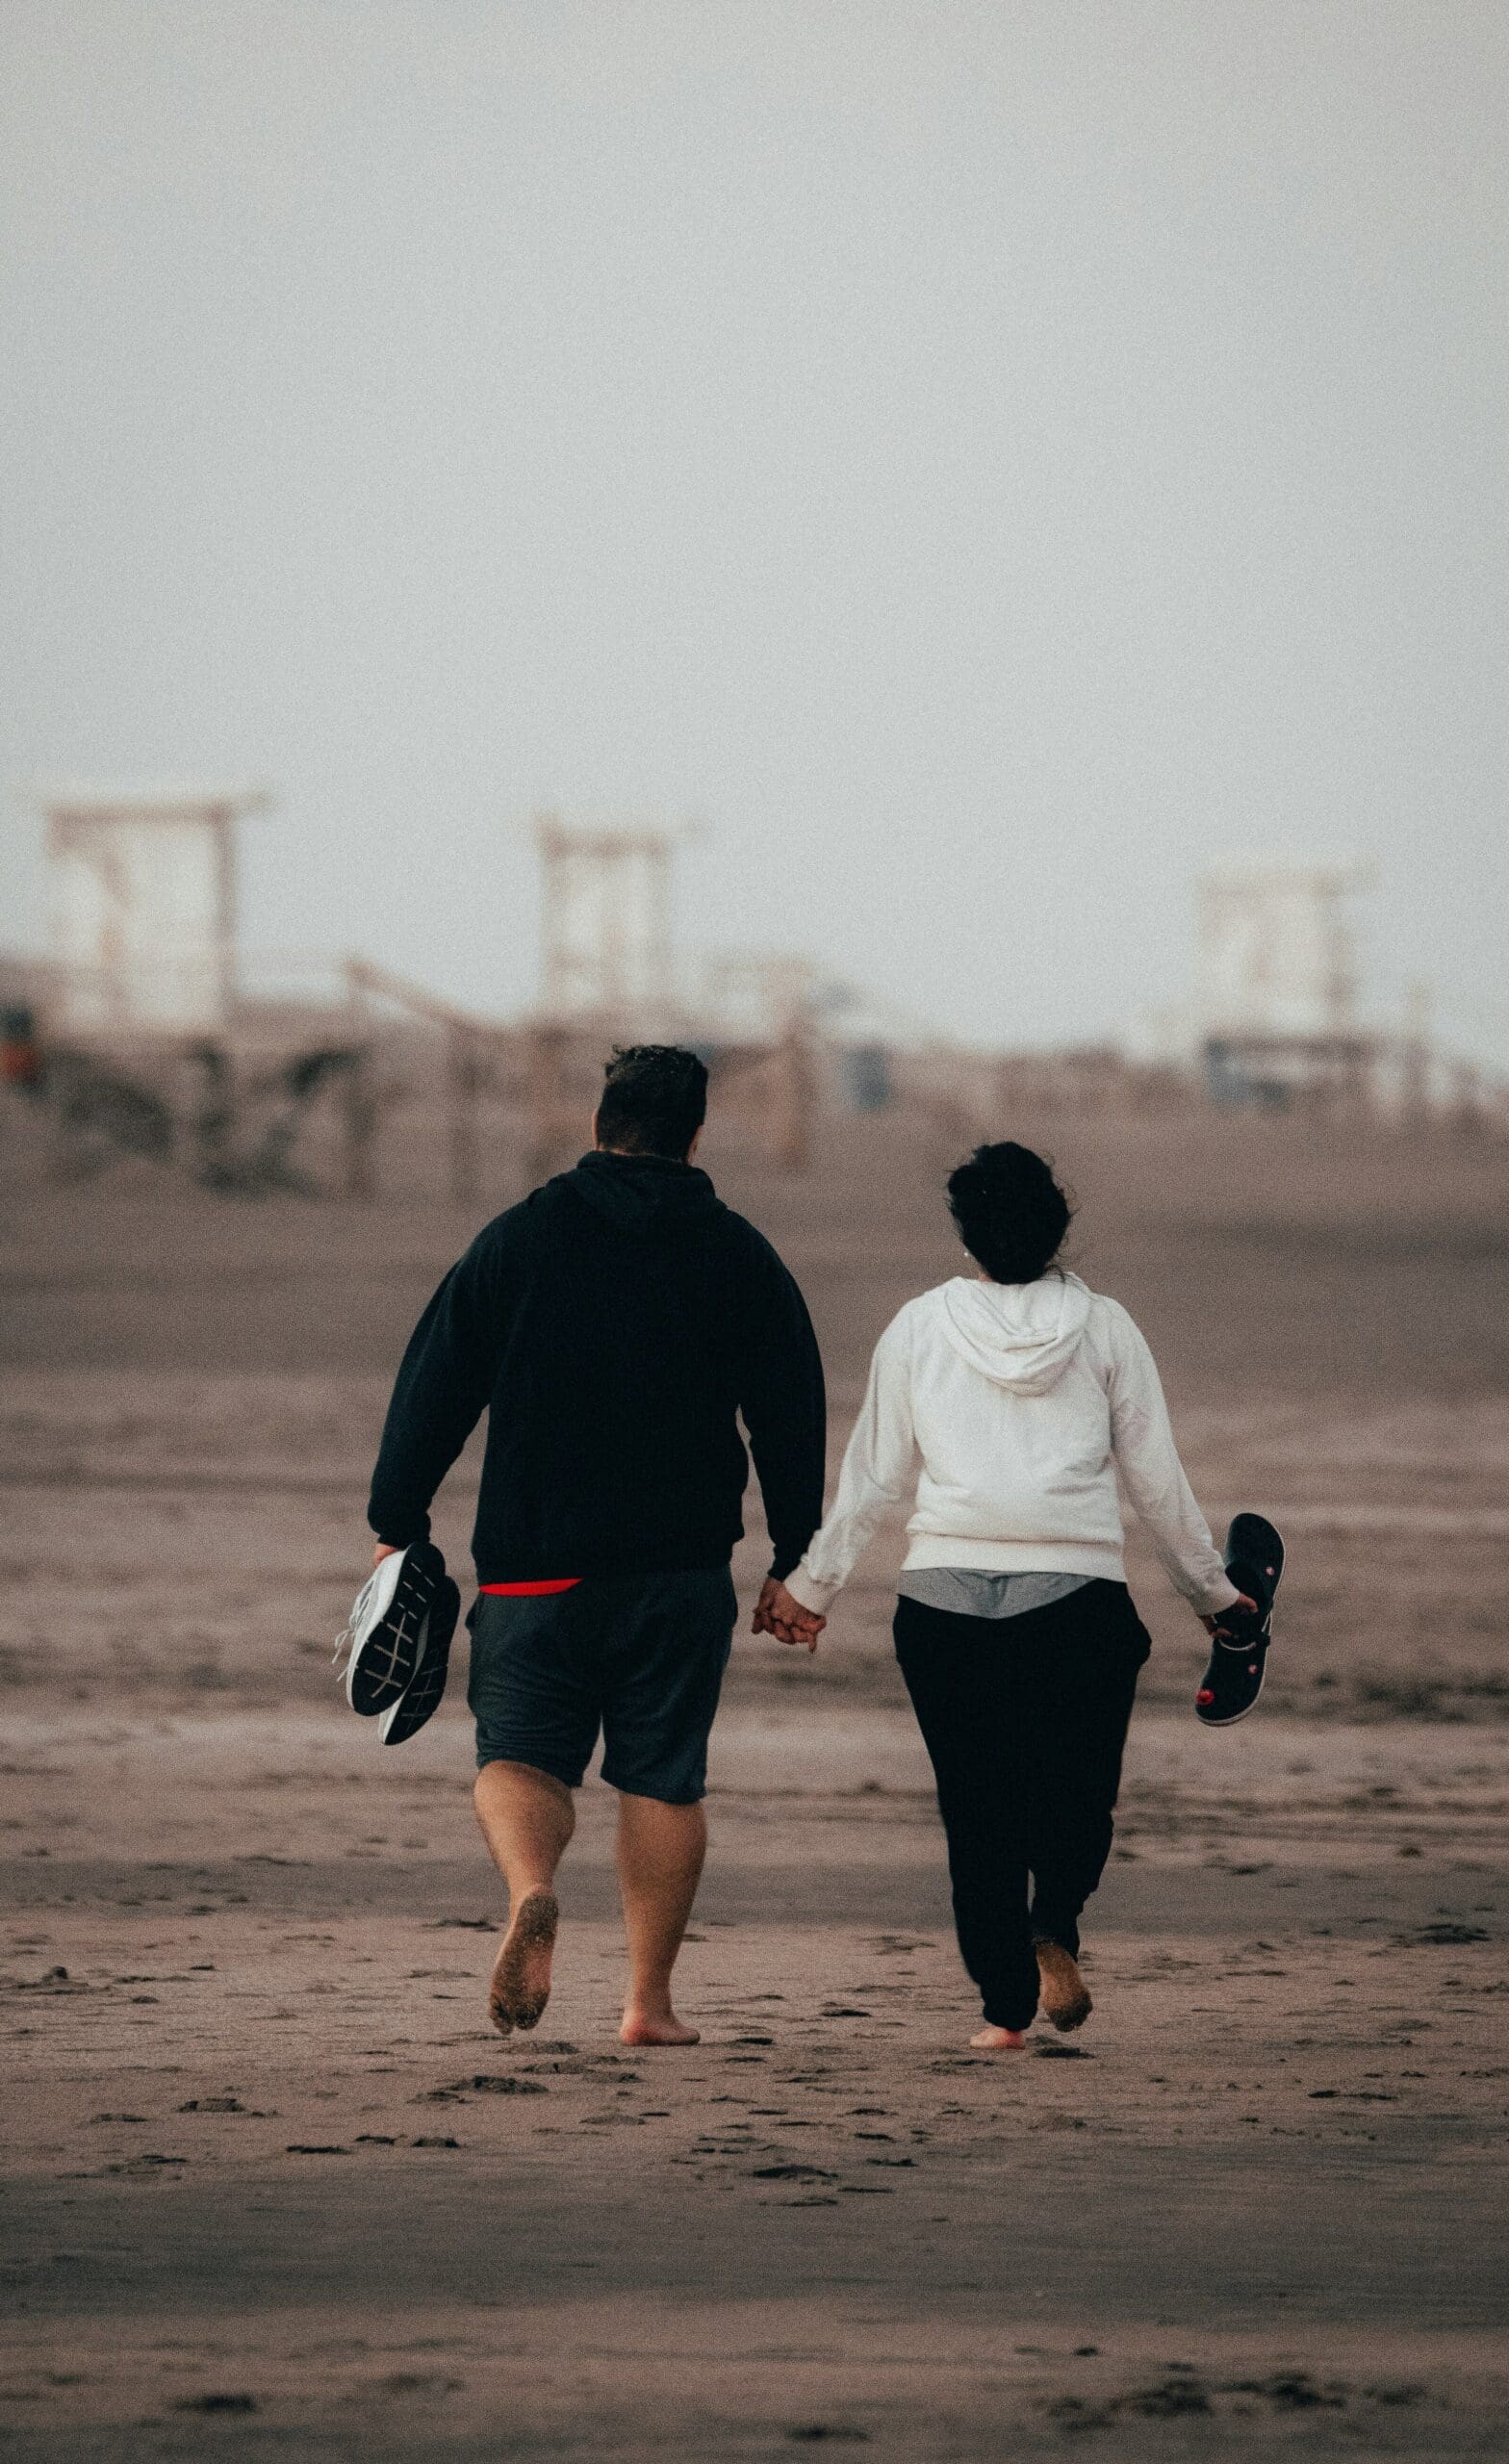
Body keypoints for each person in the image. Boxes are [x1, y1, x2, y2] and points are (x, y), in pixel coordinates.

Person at [366, 1044, 826, 2045]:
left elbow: (434, 1384)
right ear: (695, 1134)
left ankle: (532, 1886)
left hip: (535, 1563)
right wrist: (797, 1555)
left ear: (597, 1124)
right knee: (662, 1776)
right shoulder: (738, 1252)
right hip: (678, 1565)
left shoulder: (518, 1239)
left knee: (519, 1757)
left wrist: (395, 1522)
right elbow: (788, 1414)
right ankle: (647, 2005)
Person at [766, 1142, 1249, 2049]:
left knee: (975, 1807)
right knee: (1076, 1792)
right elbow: (1156, 1482)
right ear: (1058, 1224)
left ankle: (1004, 2010)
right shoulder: (1106, 1327)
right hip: (1075, 1597)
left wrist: (812, 1587)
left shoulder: (919, 1325)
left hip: (943, 1599)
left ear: (966, 1232)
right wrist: (1214, 1596)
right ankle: (1053, 1925)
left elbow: (873, 1477)